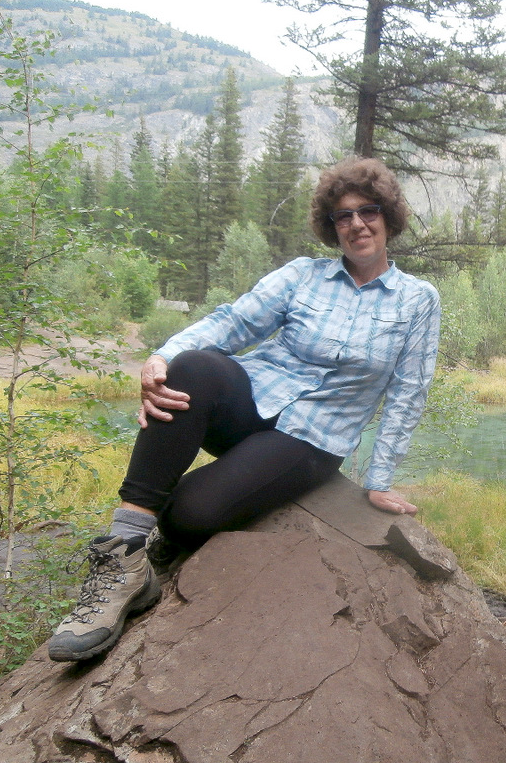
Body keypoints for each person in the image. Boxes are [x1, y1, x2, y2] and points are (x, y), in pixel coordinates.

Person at [47, 157, 441, 663]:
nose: (357, 224)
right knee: (193, 366)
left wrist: (380, 479)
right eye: (343, 216)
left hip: (312, 437)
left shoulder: (417, 300)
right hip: (252, 400)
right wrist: (162, 357)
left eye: (368, 211)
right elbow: (233, 323)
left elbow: (408, 392)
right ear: (331, 225)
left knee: (188, 516)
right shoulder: (303, 275)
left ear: (388, 216)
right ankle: (121, 557)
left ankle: (157, 548)